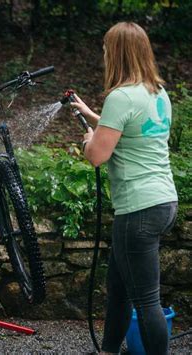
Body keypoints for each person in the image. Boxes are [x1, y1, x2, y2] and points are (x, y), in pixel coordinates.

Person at [70, 22, 178, 355]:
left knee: (146, 300)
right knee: (118, 289)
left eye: (105, 48)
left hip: (138, 210)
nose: (103, 54)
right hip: (162, 201)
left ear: (115, 53)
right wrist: (92, 114)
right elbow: (132, 129)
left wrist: (89, 140)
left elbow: (98, 156)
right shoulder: (157, 92)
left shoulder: (120, 96)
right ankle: (107, 351)